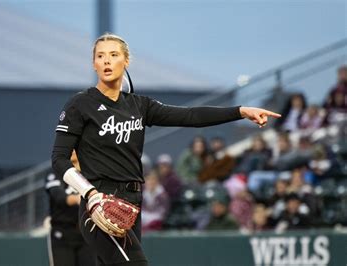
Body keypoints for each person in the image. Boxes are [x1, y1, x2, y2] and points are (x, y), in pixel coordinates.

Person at [51, 33, 281, 265]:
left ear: (126, 61)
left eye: (114, 54)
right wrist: (89, 193)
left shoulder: (139, 105)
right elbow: (59, 158)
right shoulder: (80, 104)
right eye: (100, 56)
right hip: (100, 202)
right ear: (94, 63)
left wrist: (240, 111)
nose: (107, 61)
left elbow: (190, 116)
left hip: (132, 201)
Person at [46, 150, 96, 266]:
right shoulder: (56, 172)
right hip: (63, 234)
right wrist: (81, 197)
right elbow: (59, 197)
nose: (72, 149)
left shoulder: (90, 172)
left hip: (86, 233)